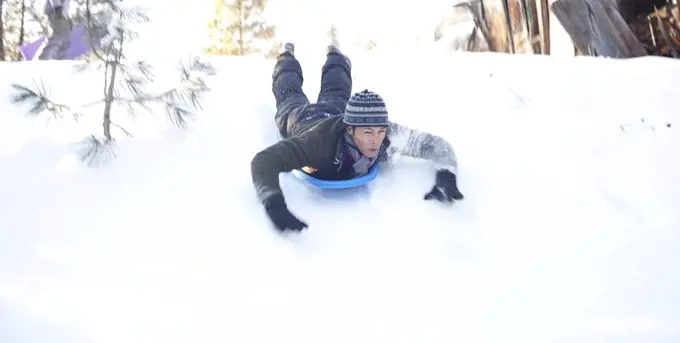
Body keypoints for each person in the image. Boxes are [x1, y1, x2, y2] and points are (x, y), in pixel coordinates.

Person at [251, 42, 464, 233]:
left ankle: (334, 53)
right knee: (288, 90)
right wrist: (274, 203)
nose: (376, 140)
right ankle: (286, 56)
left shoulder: (385, 135)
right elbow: (264, 161)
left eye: (380, 131)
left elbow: (436, 144)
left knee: (338, 83)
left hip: (336, 109)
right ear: (350, 129)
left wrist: (446, 174)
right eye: (368, 133)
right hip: (302, 119)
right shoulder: (318, 144)